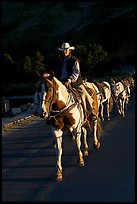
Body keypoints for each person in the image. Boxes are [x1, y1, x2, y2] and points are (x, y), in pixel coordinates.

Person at [56, 42, 96, 120]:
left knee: (84, 93)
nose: (64, 52)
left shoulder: (74, 60)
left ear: (69, 50)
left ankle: (90, 112)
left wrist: (69, 80)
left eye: (66, 50)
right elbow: (58, 72)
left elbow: (76, 72)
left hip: (75, 83)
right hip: (62, 82)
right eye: (63, 50)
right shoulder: (60, 61)